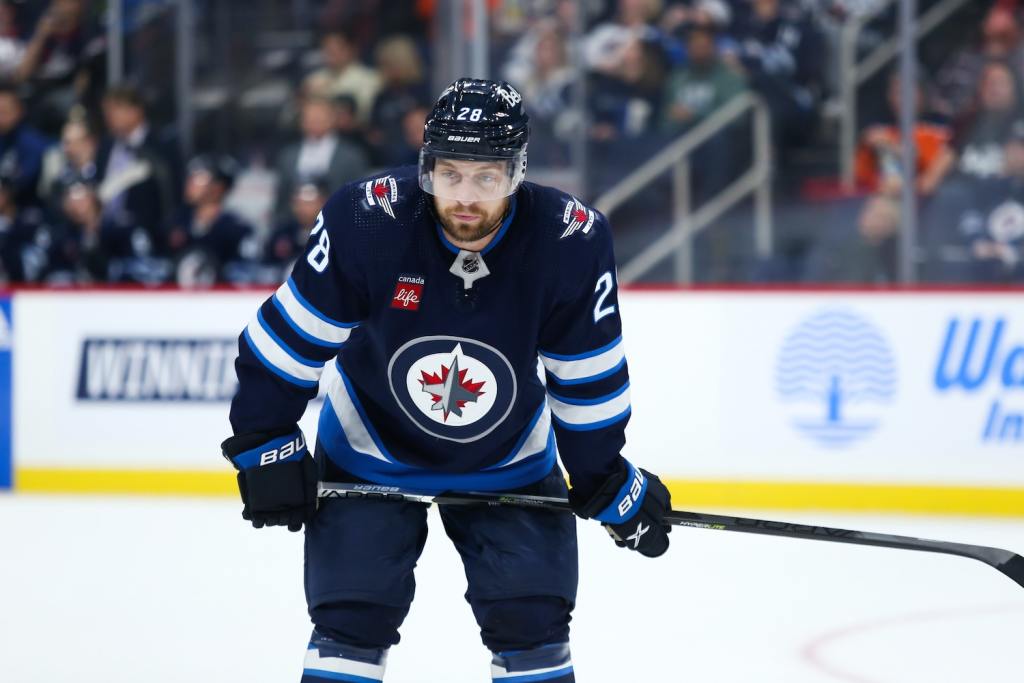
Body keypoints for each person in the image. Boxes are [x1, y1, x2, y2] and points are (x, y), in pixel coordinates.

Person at [221, 78, 673, 682]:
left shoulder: (570, 240)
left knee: (532, 620)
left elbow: (586, 377)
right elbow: (285, 343)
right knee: (351, 616)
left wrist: (604, 477)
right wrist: (262, 441)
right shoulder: (367, 219)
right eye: (450, 173)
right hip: (369, 447)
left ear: (517, 173)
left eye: (486, 177)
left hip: (507, 457)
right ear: (426, 167)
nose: (465, 197)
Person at [275, 94, 369, 224]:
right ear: (301, 122)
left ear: (332, 119)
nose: (314, 122)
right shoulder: (288, 155)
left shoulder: (352, 155)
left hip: (339, 224)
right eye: (309, 118)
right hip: (294, 227)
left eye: (319, 117)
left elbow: (359, 197)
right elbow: (282, 199)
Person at [170, 154, 258, 286]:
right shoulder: (175, 223)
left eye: (198, 178)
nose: (190, 183)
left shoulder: (236, 229)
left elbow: (247, 272)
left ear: (218, 187)